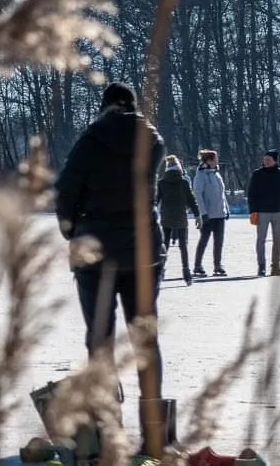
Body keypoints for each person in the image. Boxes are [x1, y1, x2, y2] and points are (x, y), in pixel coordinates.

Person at [53, 83, 165, 433]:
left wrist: (72, 231)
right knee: (144, 336)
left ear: (105, 108)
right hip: (144, 249)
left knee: (100, 337)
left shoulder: (89, 142)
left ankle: (108, 424)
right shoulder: (153, 142)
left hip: (96, 252)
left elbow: (66, 192)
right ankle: (153, 430)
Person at [247, 149, 280, 277]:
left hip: (278, 212)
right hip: (262, 212)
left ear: (275, 161)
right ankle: (261, 266)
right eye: (264, 159)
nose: (266, 162)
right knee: (261, 239)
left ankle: (275, 266)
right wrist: (253, 211)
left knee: (277, 240)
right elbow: (251, 194)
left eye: (268, 160)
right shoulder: (257, 174)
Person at [155, 155, 196, 286]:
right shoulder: (184, 182)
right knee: (183, 246)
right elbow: (191, 199)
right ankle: (186, 273)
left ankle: (160, 271)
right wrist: (197, 215)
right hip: (181, 217)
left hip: (166, 217)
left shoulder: (161, 183)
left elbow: (156, 201)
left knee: (164, 245)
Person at [190, 149, 228, 277]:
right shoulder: (200, 175)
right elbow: (198, 194)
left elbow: (222, 194)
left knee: (219, 241)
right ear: (209, 160)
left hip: (220, 214)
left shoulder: (216, 174)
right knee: (204, 240)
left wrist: (226, 209)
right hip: (208, 215)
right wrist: (203, 213)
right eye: (215, 158)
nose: (217, 160)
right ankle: (197, 266)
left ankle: (218, 265)